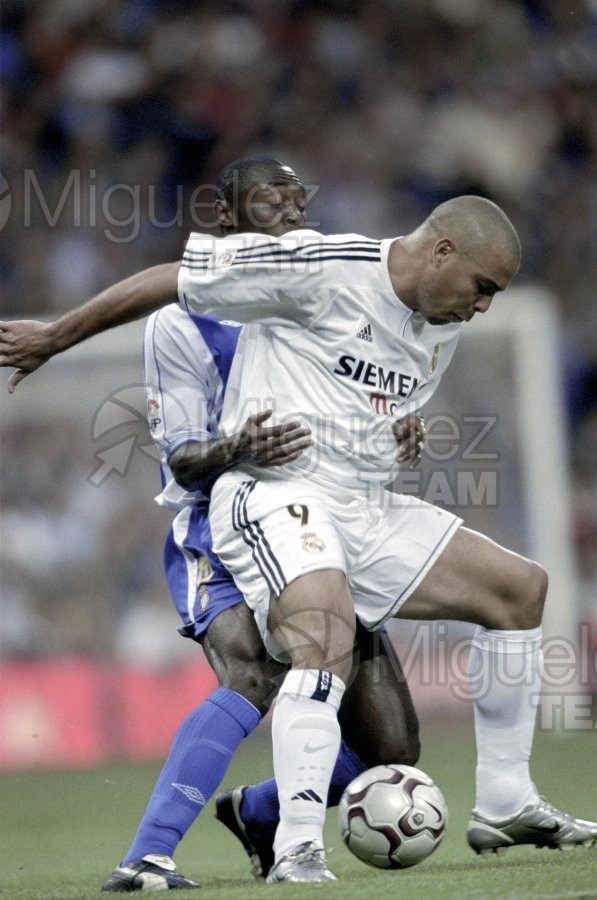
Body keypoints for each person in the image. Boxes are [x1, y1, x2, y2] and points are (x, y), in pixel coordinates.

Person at [2, 184, 596, 883]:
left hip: (361, 507)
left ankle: (503, 801)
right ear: (440, 251)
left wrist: (394, 434)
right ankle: (295, 847)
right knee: (318, 638)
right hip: (274, 495)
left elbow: (358, 394)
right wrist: (53, 336)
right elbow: (170, 281)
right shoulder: (322, 270)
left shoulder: (440, 316)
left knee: (517, 591)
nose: (484, 305)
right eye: (482, 285)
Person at [2, 158, 421, 891]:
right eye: (269, 201)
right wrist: (239, 446)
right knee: (252, 672)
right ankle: (146, 857)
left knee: (392, 750)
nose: (291, 213)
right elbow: (183, 461)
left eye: (298, 200)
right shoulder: (181, 322)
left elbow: (364, 407)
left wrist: (394, 429)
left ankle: (257, 813)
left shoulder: (324, 298)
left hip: (319, 519)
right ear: (224, 220)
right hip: (219, 526)